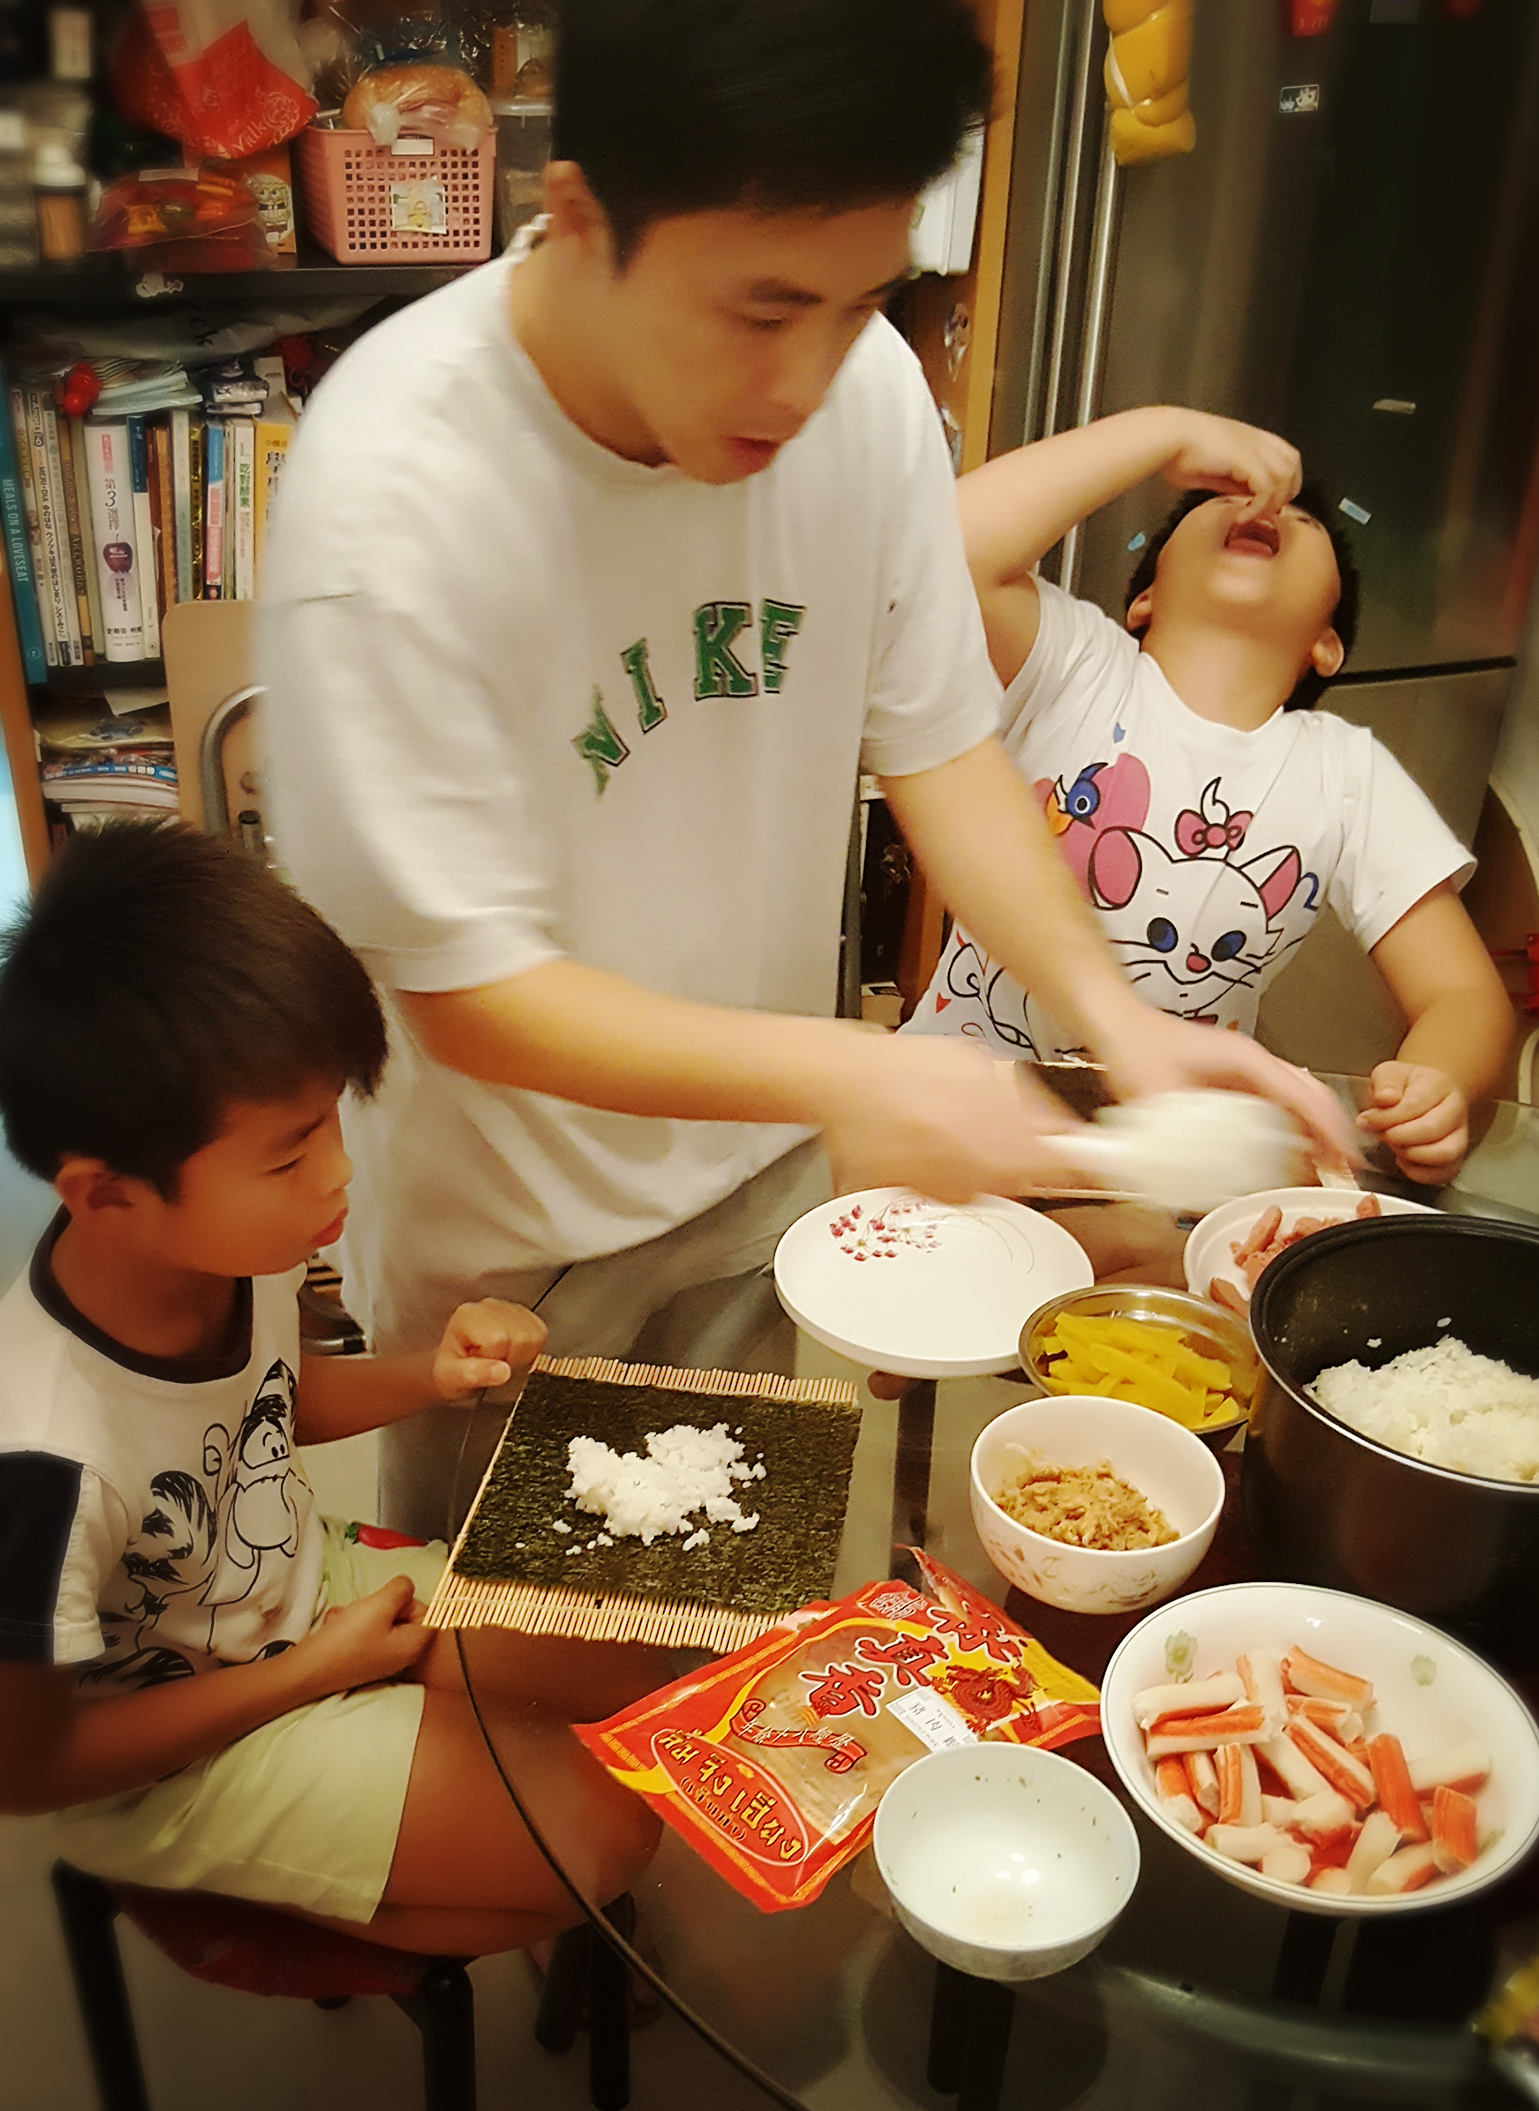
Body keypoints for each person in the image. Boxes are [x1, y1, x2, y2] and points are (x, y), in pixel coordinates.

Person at [260, 0, 1349, 1536]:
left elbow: (941, 742)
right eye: (763, 312)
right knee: (518, 1645)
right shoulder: (395, 503)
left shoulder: (866, 397)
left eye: (862, 304)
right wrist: (868, 1069)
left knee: (736, 1605)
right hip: (512, 1239)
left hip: (765, 1185)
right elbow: (467, 989)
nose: (809, 380)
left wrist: (1119, 1024)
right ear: (580, 218)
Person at [0, 826, 662, 1959]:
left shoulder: (231, 1248)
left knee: (642, 1667)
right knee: (610, 1834)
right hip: (167, 1756)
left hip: (303, 1597)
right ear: (108, 1195)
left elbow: (268, 1403)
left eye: (332, 1120)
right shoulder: (41, 1460)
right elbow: (29, 1770)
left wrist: (431, 1373)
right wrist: (315, 1676)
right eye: (288, 1153)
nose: (341, 1172)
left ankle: (394, 1794)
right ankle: (289, 1884)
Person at [908, 406, 1514, 1185]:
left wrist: (1437, 1083)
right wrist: (1165, 432)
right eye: (1219, 501)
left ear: (1327, 644)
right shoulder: (1074, 664)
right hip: (958, 1114)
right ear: (1144, 601)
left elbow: (1463, 993)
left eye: (1301, 519)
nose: (1264, 505)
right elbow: (945, 547)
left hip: (1166, 1163)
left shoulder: (1345, 774)